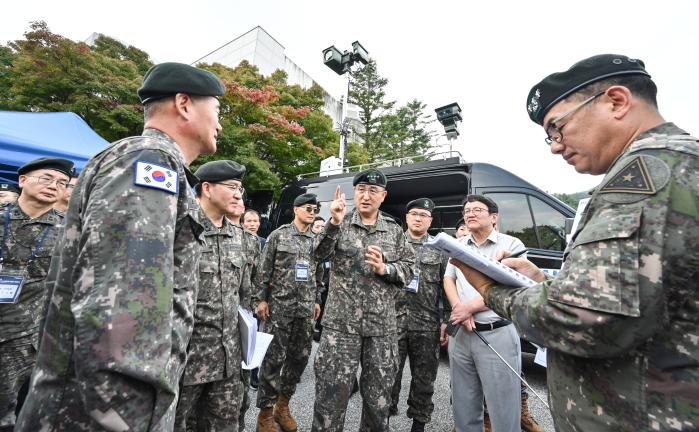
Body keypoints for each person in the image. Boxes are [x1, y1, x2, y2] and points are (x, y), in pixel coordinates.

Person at [452, 54, 699, 431]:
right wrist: (543, 281)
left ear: (615, 101)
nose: (555, 145)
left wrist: (489, 290)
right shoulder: (672, 166)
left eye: (558, 127)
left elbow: (583, 318)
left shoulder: (647, 178)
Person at [15, 62, 225, 431]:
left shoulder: (148, 161)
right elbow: (122, 308)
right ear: (184, 104)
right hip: (103, 409)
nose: (220, 123)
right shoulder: (149, 161)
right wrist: (122, 417)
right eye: (217, 109)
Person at [311, 168, 415, 432]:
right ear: (354, 194)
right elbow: (316, 254)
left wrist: (386, 269)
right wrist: (332, 223)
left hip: (381, 328)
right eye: (360, 190)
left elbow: (409, 267)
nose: (366, 196)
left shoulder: (394, 230)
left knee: (378, 399)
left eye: (373, 191)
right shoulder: (339, 222)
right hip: (340, 328)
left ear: (383, 196)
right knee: (330, 398)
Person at [174, 160, 250, 431]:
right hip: (185, 358)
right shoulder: (180, 229)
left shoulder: (239, 237)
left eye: (240, 188)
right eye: (231, 187)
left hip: (228, 360)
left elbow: (244, 295)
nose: (239, 194)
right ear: (206, 188)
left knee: (225, 425)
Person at [0, 157, 73, 431]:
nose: (54, 186)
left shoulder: (68, 230)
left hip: (26, 341)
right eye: (46, 178)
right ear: (22, 181)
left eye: (62, 183)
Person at [444, 195, 525, 432]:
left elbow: (512, 285)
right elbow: (449, 278)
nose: (470, 213)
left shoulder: (511, 245)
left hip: (496, 333)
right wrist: (460, 309)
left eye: (477, 209)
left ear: (493, 217)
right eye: (466, 210)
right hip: (462, 333)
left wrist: (470, 307)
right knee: (464, 404)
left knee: (503, 408)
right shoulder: (457, 245)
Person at [255, 193, 322, 432]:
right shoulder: (278, 235)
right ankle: (264, 414)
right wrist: (261, 299)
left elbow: (319, 275)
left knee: (299, 360)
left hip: (304, 311)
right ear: (295, 209)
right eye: (307, 207)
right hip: (279, 309)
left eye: (315, 208)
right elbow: (263, 270)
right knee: (273, 361)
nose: (311, 211)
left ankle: (282, 407)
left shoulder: (317, 240)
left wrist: (316, 300)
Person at [390, 198, 449, 432]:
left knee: (424, 378)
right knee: (387, 375)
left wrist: (446, 322)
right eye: (413, 213)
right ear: (406, 217)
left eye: (423, 215)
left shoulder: (439, 249)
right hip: (391, 321)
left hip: (426, 324)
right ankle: (382, 417)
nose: (418, 218)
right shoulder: (393, 244)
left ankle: (419, 423)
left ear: (430, 220)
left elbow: (447, 286)